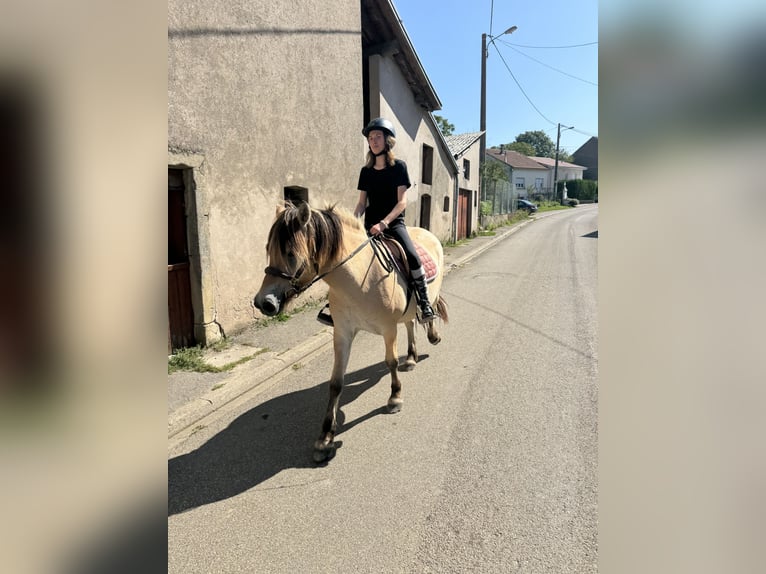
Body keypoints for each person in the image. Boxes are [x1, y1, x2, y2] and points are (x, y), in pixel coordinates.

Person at [317, 117, 435, 326]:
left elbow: (401, 203)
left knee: (413, 257)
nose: (373, 141)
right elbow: (362, 203)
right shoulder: (366, 172)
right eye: (371, 138)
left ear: (387, 140)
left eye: (377, 137)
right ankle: (332, 306)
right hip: (368, 226)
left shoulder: (399, 167)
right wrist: (351, 224)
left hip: (393, 224)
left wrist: (384, 223)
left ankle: (424, 303)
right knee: (340, 258)